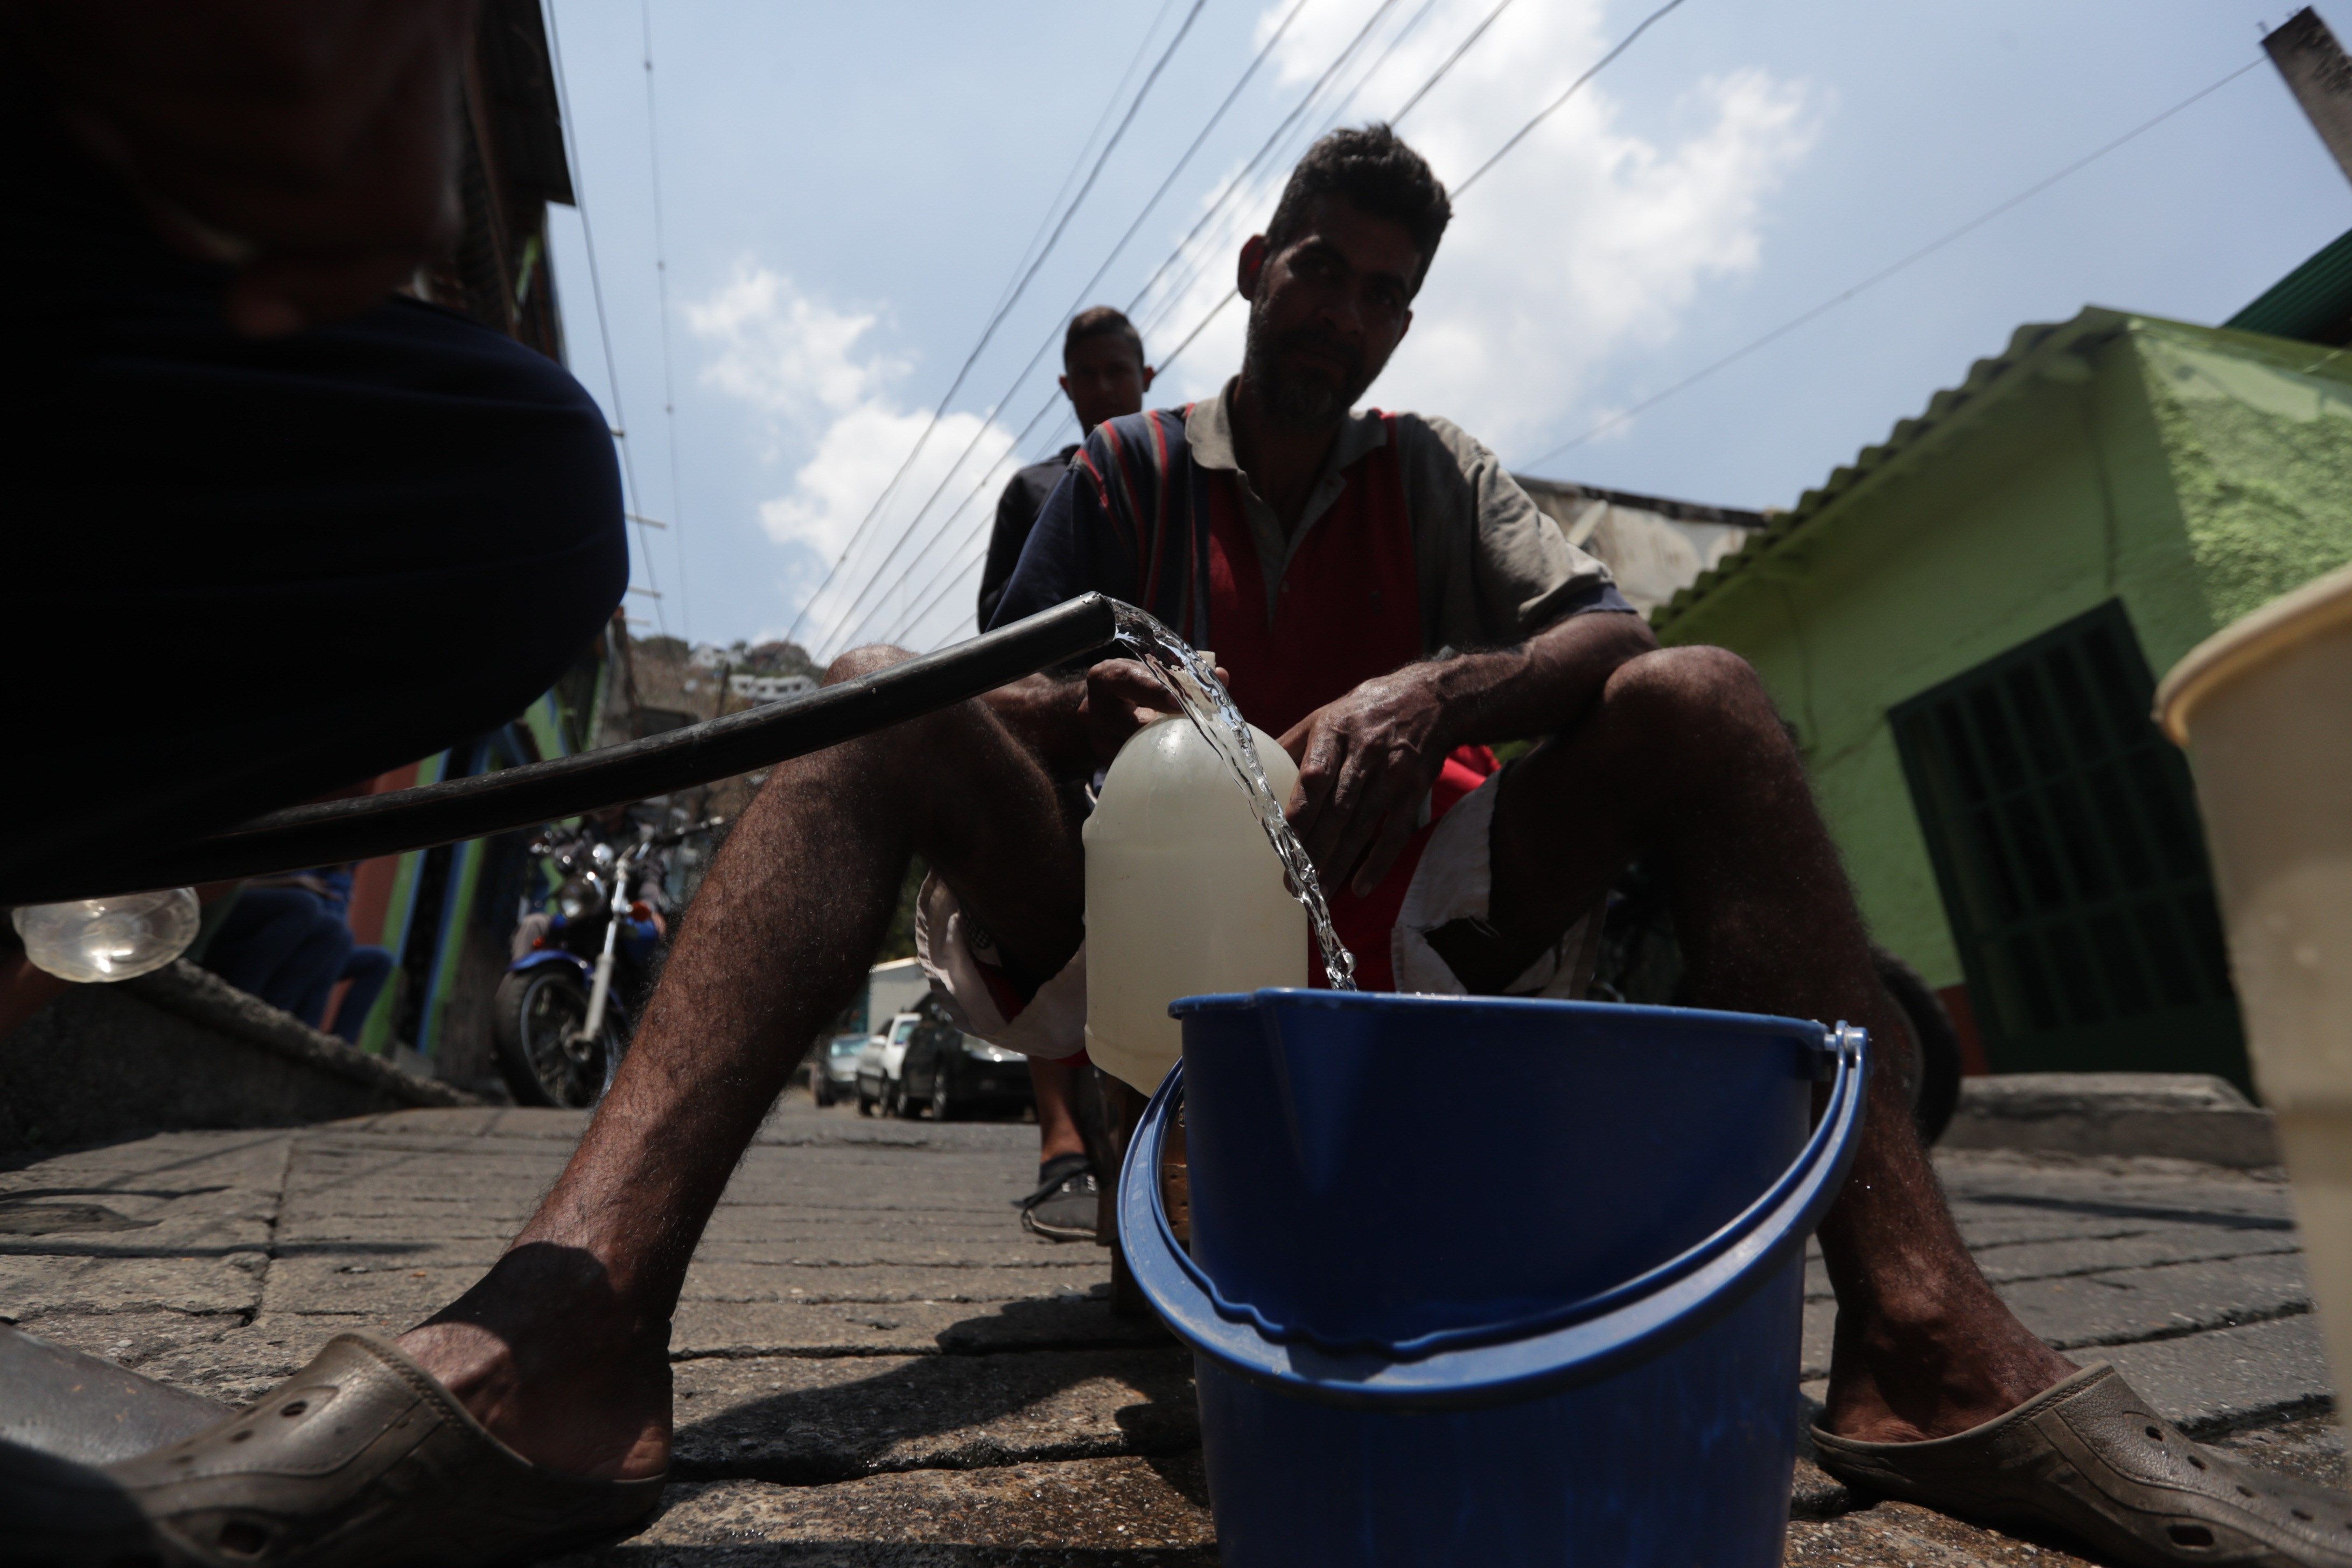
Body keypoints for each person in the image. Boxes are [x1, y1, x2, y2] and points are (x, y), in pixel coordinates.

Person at [105, 128, 2352, 1568]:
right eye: (1327, 268)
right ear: (1261, 261)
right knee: (880, 711)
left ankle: (1927, 1342)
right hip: (1136, 947)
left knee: (1700, 698)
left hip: (1411, 947)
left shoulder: (1431, 473)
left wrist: (1435, 692)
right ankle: (572, 1329)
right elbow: (995, 685)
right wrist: (1068, 708)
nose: (1349, 311)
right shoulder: (1115, 483)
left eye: (1389, 291)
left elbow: (1597, 621)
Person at [978, 306, 1157, 1243]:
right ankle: (1060, 1136)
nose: (1100, 390)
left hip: (1165, 736)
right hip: (1064, 730)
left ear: (1145, 378)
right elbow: (1000, 634)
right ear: (1065, 386)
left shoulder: (1172, 478)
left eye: (1115, 374)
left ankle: (1153, 1159)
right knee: (1055, 929)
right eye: (1084, 376)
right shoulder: (1037, 491)